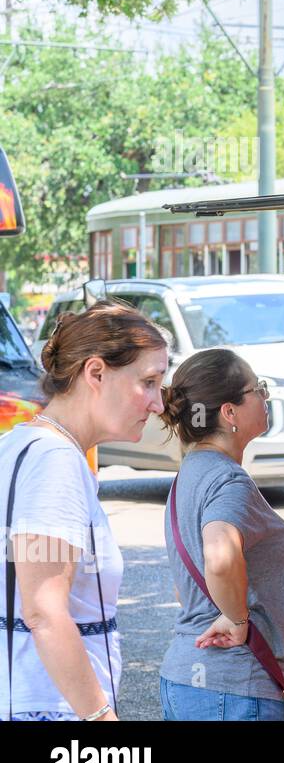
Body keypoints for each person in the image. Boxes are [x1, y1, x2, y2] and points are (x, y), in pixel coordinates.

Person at [1, 301, 169, 721]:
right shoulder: (53, 460)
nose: (158, 404)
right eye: (148, 382)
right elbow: (44, 610)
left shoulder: (22, 445)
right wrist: (99, 717)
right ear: (95, 373)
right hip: (47, 709)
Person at [158, 348, 284, 721]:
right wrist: (237, 621)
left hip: (187, 680)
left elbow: (186, 582)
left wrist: (283, 561)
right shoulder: (229, 480)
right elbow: (219, 558)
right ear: (229, 412)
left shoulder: (190, 475)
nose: (266, 396)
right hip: (233, 688)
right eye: (258, 389)